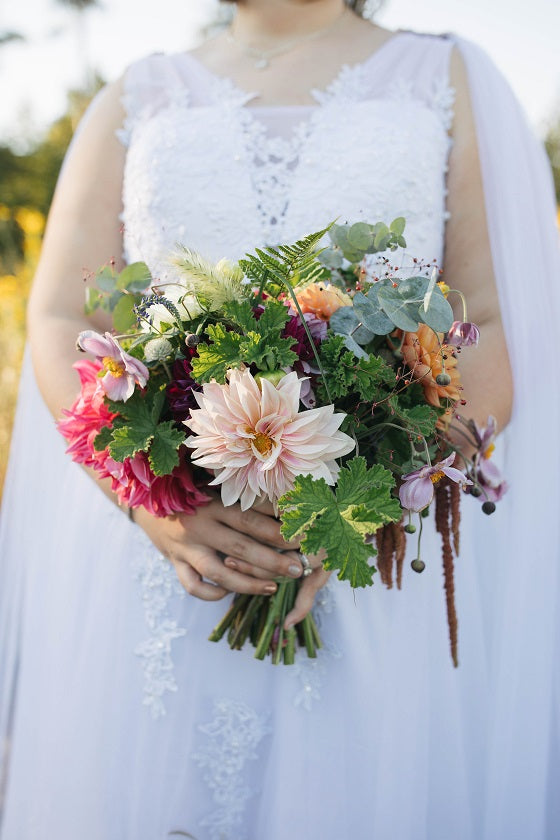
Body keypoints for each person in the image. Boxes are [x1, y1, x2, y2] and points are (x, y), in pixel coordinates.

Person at [1, 1, 559, 838]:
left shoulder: (446, 78)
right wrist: (156, 507)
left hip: (371, 562)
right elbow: (59, 320)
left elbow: (490, 319)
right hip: (169, 560)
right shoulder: (137, 94)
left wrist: (351, 509)